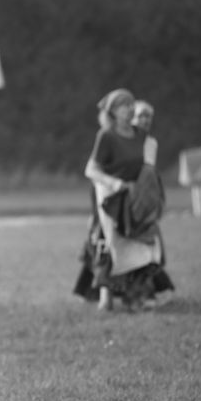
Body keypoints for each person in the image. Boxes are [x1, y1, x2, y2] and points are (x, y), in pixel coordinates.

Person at [74, 89, 175, 311]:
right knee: (116, 247)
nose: (130, 109)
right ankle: (112, 297)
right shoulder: (107, 136)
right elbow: (91, 169)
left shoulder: (141, 135)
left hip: (136, 198)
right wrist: (115, 184)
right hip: (113, 200)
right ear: (112, 111)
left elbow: (148, 165)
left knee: (144, 246)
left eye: (131, 104)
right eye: (124, 106)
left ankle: (139, 297)